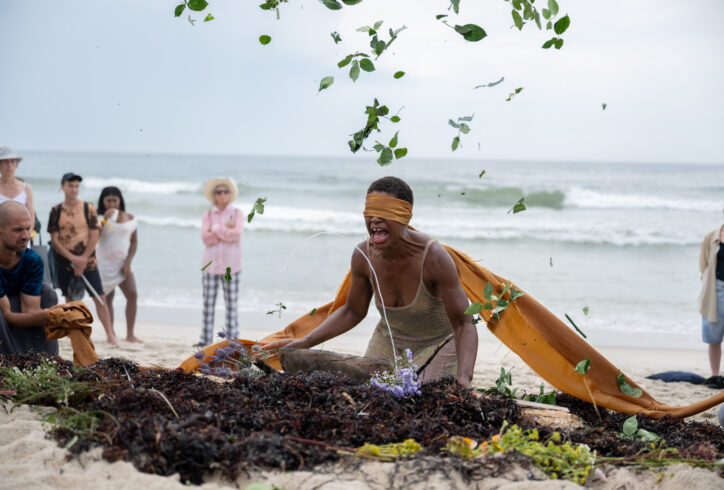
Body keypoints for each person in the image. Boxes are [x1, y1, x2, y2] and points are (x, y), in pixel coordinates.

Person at [262, 177, 478, 388]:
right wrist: (305, 342)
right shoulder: (363, 255)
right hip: (389, 341)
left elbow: (464, 323)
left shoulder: (433, 257)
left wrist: (464, 378)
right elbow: (352, 311)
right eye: (370, 212)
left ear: (404, 216)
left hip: (438, 344)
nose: (374, 219)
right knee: (368, 391)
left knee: (417, 395)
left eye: (384, 212)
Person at [47, 172, 117, 345]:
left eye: (77, 186)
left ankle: (111, 335)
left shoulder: (88, 208)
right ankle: (75, 336)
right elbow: (55, 241)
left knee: (100, 297)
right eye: (70, 185)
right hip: (64, 262)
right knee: (70, 300)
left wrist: (83, 259)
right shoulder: (56, 211)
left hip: (89, 262)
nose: (74, 189)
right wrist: (73, 259)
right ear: (63, 187)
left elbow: (94, 235)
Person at [0, 201, 61, 355]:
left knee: (47, 293)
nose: (26, 236)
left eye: (28, 229)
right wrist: (47, 315)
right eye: (18, 230)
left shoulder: (32, 260)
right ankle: (8, 360)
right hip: (3, 313)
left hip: (14, 307)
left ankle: (45, 360)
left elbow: (31, 311)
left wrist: (52, 315)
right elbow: (7, 315)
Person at [199, 177, 243, 346]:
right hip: (210, 266)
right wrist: (225, 231)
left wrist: (216, 229)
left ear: (230, 194)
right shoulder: (208, 215)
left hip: (232, 267)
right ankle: (204, 339)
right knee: (208, 305)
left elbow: (236, 235)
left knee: (231, 305)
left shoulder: (237, 213)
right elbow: (206, 238)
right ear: (214, 195)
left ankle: (232, 340)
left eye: (226, 191)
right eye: (219, 192)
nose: (222, 194)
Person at [97, 186, 140, 343]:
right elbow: (95, 237)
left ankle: (130, 334)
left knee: (133, 294)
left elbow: (134, 242)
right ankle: (111, 334)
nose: (112, 204)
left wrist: (128, 263)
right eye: (108, 201)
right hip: (104, 264)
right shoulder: (99, 217)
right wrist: (105, 219)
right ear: (103, 202)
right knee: (108, 299)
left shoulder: (130, 217)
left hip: (123, 263)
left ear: (120, 200)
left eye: (115, 200)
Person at [699, 208, 724, 379]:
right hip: (715, 291)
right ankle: (715, 375)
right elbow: (704, 265)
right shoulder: (711, 237)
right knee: (713, 336)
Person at [0, 146, 35, 227]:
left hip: (22, 235)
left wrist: (27, 236)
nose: (9, 165)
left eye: (12, 162)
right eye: (5, 162)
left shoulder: (26, 188)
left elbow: (31, 216)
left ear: (16, 165)